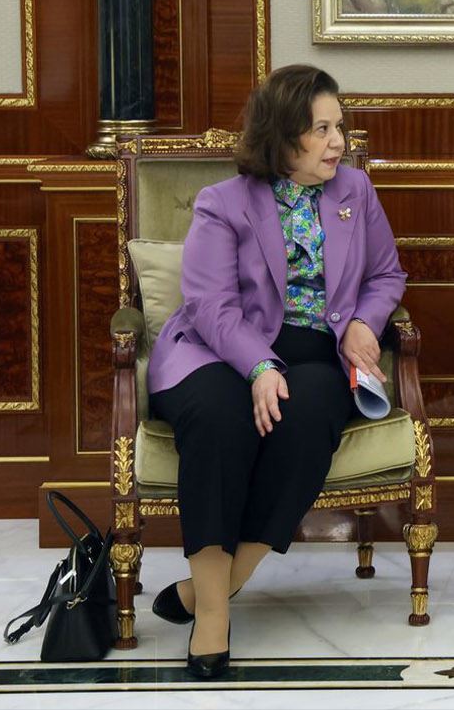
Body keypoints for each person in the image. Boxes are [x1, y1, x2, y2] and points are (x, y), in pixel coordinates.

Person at [144, 64, 406, 679]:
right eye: (322, 130)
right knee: (217, 418)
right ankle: (214, 619)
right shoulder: (223, 203)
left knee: (309, 415)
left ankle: (213, 587)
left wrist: (365, 322)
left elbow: (386, 275)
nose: (339, 142)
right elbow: (211, 305)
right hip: (215, 349)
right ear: (284, 138)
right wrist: (259, 365)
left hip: (317, 352)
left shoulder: (356, 191)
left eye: (339, 127)